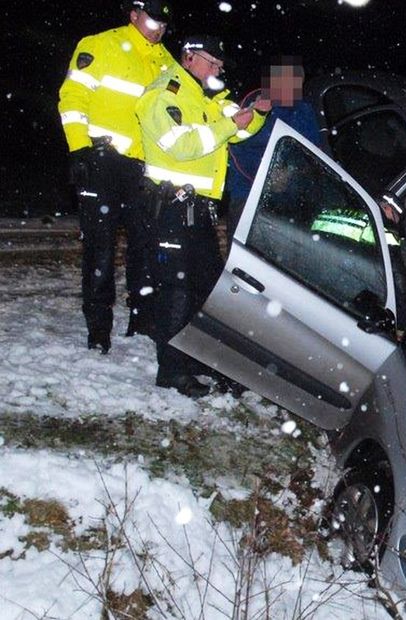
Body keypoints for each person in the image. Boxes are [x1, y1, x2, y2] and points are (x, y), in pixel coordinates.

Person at [136, 35, 268, 397]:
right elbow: (182, 146)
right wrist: (230, 125)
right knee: (176, 291)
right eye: (212, 63)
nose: (217, 71)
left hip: (201, 211)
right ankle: (172, 369)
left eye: (220, 67)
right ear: (189, 57)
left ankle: (199, 359)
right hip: (171, 209)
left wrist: (257, 112)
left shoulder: (207, 98)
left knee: (207, 290)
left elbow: (239, 129)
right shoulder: (163, 94)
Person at [57, 0, 176, 353]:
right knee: (101, 250)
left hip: (143, 171)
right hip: (102, 162)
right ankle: (98, 331)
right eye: (153, 20)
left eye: (164, 24)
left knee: (145, 247)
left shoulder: (166, 61)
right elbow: (72, 96)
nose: (158, 28)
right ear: (134, 14)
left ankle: (142, 320)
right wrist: (79, 148)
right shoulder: (100, 45)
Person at [225, 56, 322, 236]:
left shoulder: (304, 111)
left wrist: (290, 171)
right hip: (248, 194)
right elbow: (236, 147)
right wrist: (268, 177)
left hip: (289, 201)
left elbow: (313, 154)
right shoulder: (257, 103)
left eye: (296, 80)